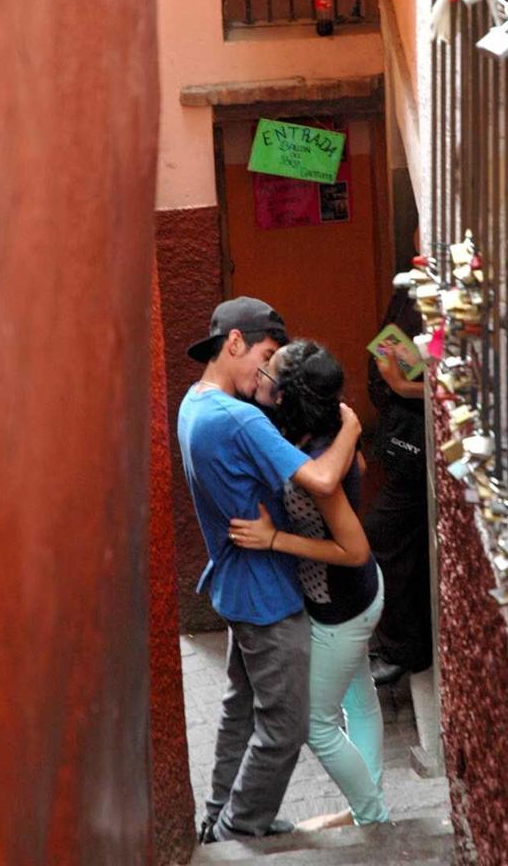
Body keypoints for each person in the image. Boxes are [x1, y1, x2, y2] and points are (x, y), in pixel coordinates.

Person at [177, 298, 361, 844]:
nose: (267, 370)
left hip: (236, 585)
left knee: (240, 709)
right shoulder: (240, 417)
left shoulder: (195, 403)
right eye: (266, 354)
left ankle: (217, 818)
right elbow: (324, 481)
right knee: (284, 727)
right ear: (233, 342)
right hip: (266, 595)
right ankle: (241, 828)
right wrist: (351, 427)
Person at [229, 340, 389, 830]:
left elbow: (354, 548)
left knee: (318, 726)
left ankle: (372, 816)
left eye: (270, 377)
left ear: (288, 397)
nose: (261, 377)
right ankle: (368, 803)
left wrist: (275, 538)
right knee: (358, 695)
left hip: (343, 607)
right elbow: (357, 465)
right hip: (360, 595)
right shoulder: (326, 430)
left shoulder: (320, 465)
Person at [364, 281, 433, 686]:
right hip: (402, 432)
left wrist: (402, 386)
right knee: (401, 540)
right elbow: (389, 347)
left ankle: (403, 648)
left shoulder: (425, 289)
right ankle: (401, 645)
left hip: (415, 435)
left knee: (384, 533)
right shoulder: (410, 286)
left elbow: (428, 379)